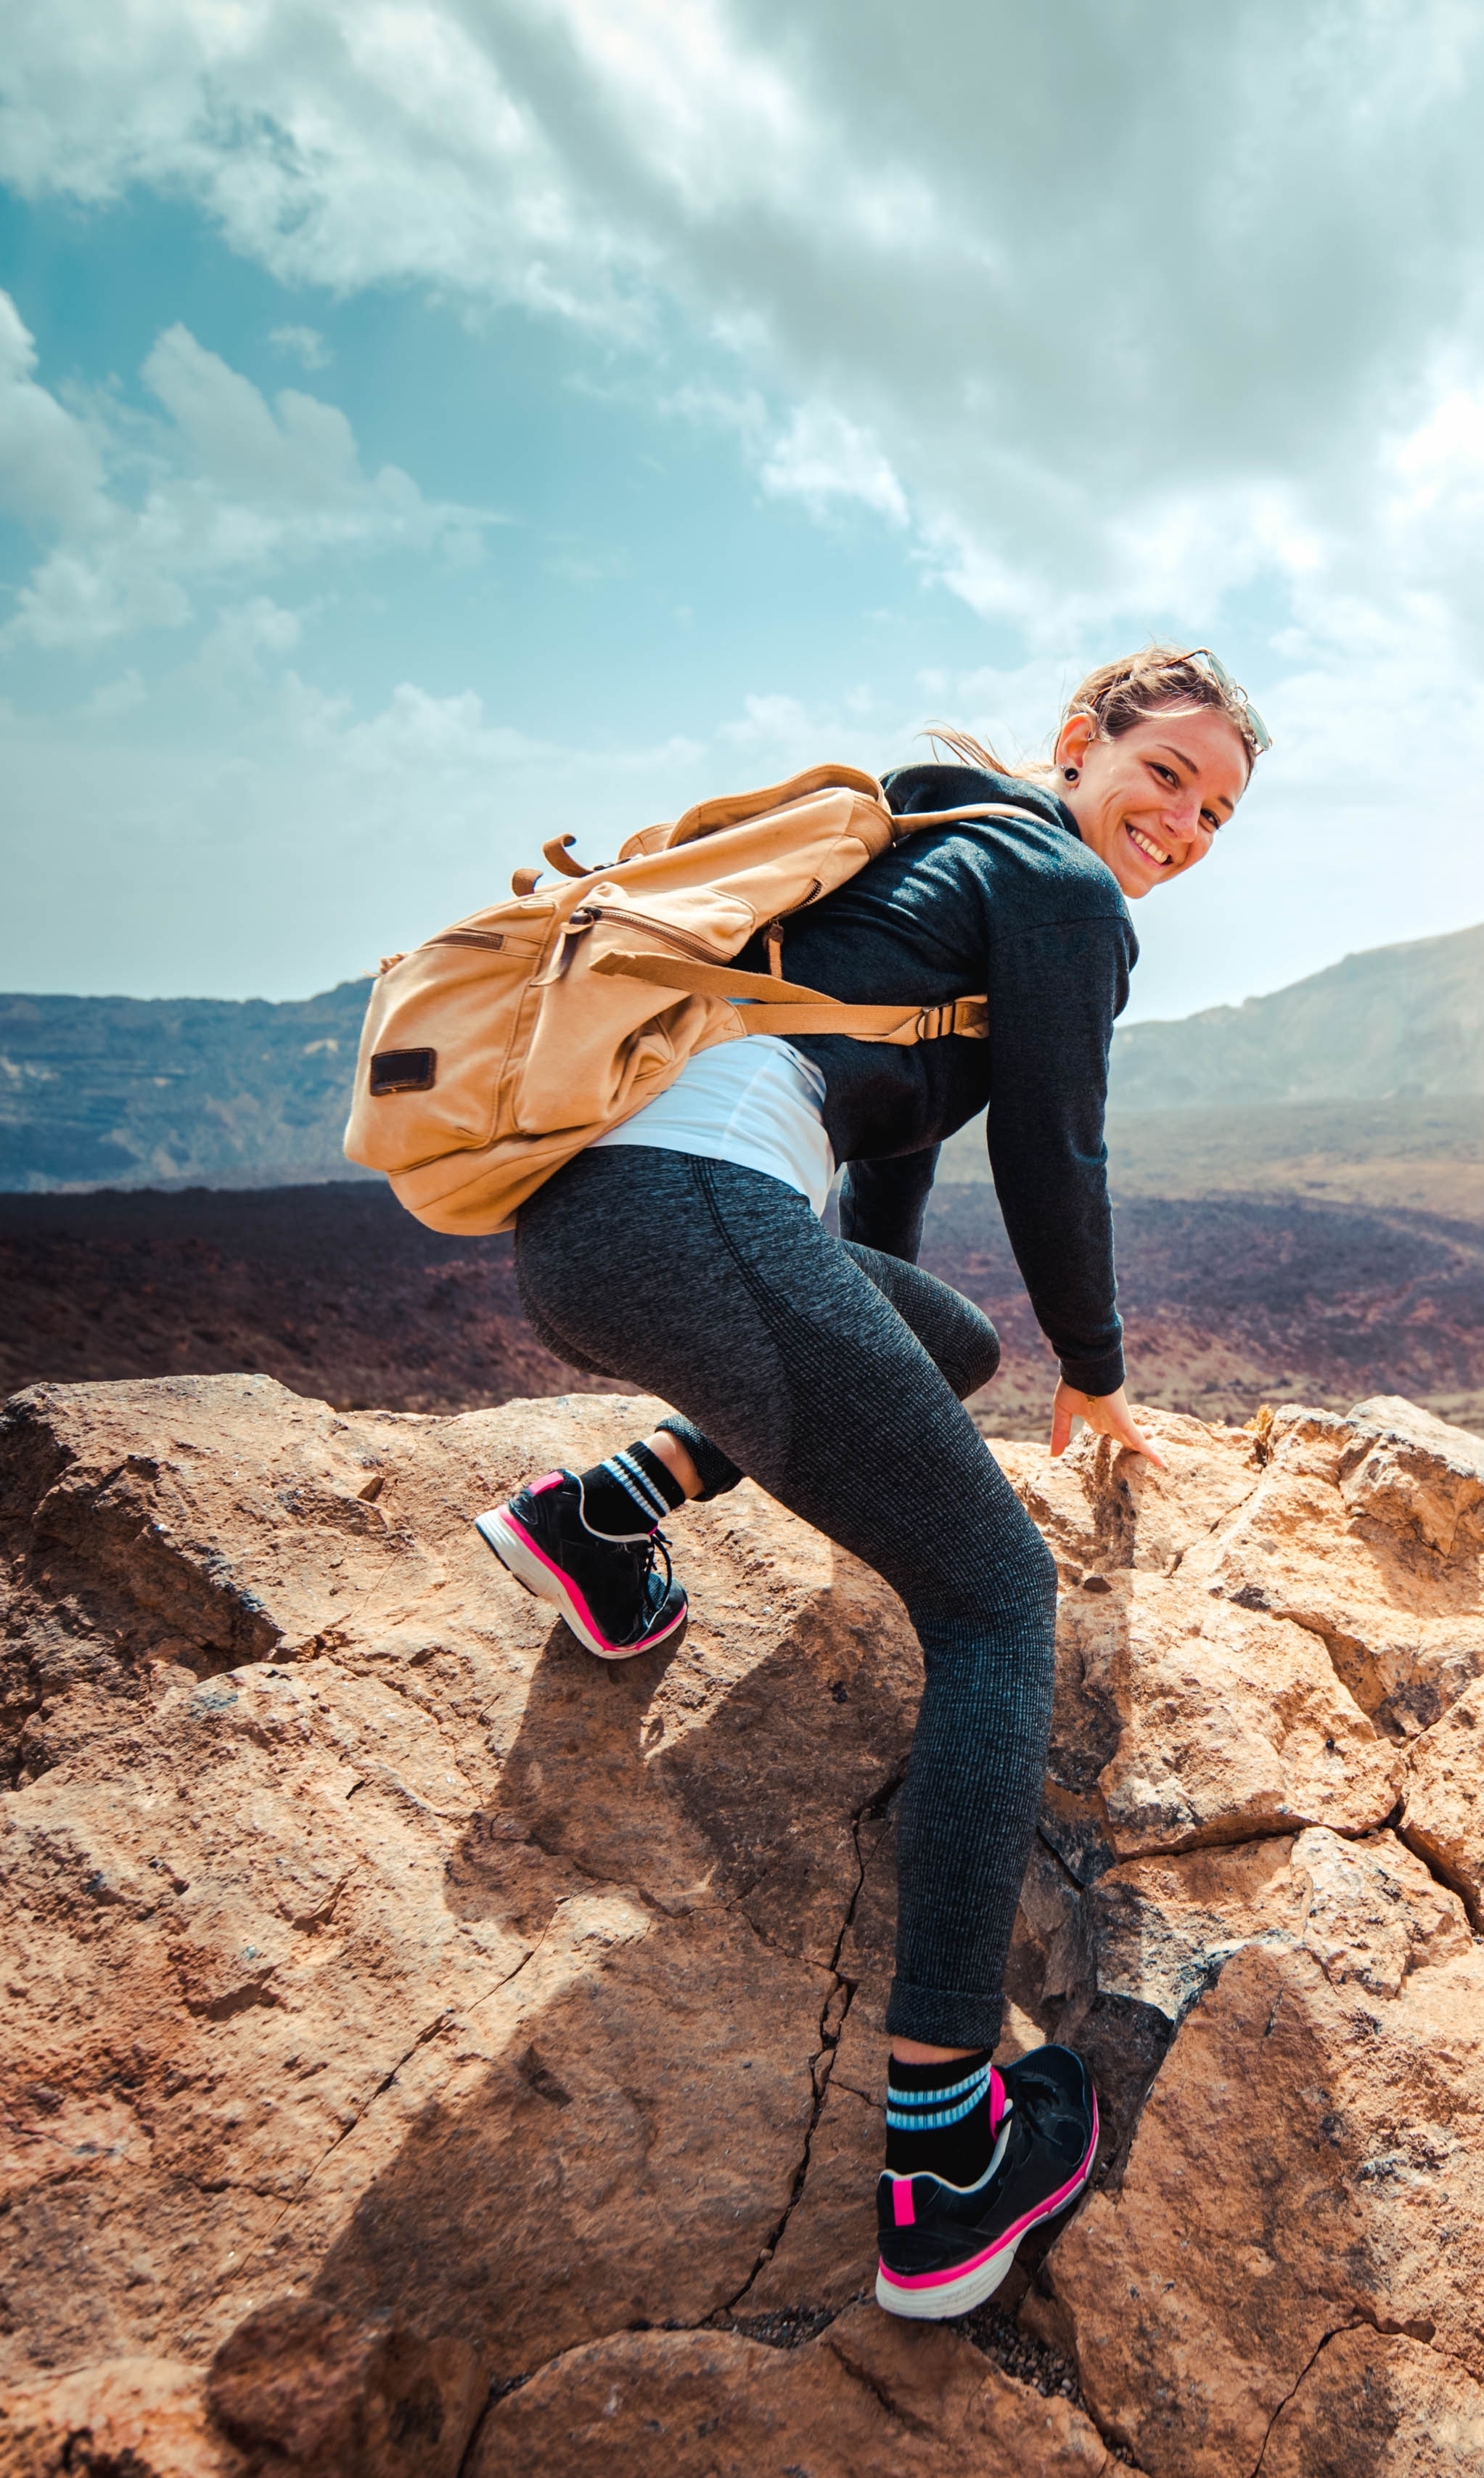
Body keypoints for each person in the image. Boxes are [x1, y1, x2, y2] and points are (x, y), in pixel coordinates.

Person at [467, 645, 1265, 2320]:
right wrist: (1100, 1369)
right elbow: (1058, 1143)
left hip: (595, 1228)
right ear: (1079, 745)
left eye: (1215, 807)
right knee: (996, 1603)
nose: (1182, 821)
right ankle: (946, 2156)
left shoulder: (935, 860)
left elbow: (888, 1190)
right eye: (1167, 774)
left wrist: (899, 1365)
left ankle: (596, 1518)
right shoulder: (1056, 880)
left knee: (943, 1348)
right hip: (690, 1210)